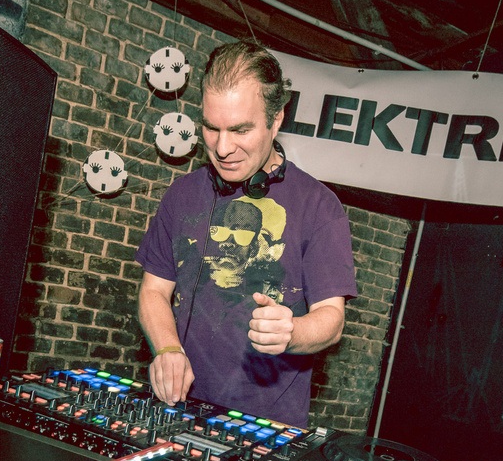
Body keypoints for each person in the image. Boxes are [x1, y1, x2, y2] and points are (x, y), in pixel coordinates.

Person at [135, 40, 358, 427]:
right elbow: (154, 291)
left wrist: (292, 331)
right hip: (175, 412)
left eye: (240, 130)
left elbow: (331, 320)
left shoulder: (319, 206)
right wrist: (167, 348)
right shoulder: (182, 195)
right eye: (211, 127)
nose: (222, 148)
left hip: (266, 427)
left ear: (276, 119)